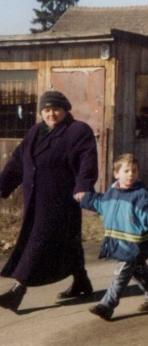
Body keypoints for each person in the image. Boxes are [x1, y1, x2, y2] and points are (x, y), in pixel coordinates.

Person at [0, 91, 97, 313]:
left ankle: (18, 291)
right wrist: (3, 184)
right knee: (68, 240)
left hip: (61, 198)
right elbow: (17, 162)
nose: (51, 114)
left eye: (55, 109)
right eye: (46, 110)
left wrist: (83, 186)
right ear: (41, 112)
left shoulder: (77, 131)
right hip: (35, 198)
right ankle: (82, 281)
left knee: (39, 241)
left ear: (65, 109)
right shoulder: (35, 131)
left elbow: (87, 160)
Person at [77, 154, 148, 320]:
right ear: (116, 173)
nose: (131, 174)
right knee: (139, 271)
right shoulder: (112, 192)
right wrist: (84, 198)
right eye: (126, 170)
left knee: (121, 274)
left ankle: (106, 306)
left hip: (135, 244)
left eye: (134, 170)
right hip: (121, 241)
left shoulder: (141, 195)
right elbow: (101, 203)